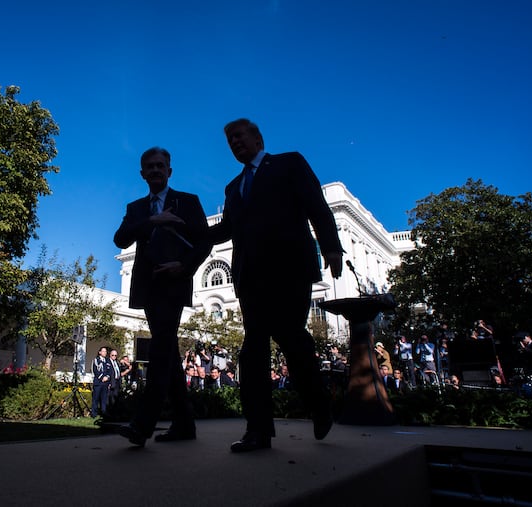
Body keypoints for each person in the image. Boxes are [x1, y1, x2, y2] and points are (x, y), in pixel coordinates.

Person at [208, 119, 343, 452]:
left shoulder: (288, 163)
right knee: (253, 350)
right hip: (250, 278)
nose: (235, 143)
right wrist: (186, 233)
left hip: (289, 270)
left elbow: (317, 205)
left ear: (258, 138)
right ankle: (258, 431)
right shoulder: (233, 187)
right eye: (229, 140)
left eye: (239, 136)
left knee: (293, 340)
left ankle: (319, 403)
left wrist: (331, 246)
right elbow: (226, 230)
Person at [114, 146, 211, 447]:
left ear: (169, 170)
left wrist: (183, 266)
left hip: (174, 283)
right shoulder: (136, 209)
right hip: (148, 288)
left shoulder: (188, 202)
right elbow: (120, 238)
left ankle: (143, 424)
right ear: (142, 173)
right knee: (167, 352)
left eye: (160, 166)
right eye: (150, 167)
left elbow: (205, 241)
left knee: (159, 350)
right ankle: (185, 424)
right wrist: (151, 223)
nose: (155, 170)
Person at [91, 346, 112, 418]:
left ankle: (103, 413)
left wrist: (107, 377)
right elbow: (95, 370)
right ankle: (94, 414)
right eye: (103, 351)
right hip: (98, 383)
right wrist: (102, 377)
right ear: (100, 352)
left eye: (106, 351)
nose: (105, 353)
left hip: (105, 383)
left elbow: (110, 371)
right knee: (95, 399)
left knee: (104, 399)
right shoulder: (96, 360)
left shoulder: (108, 361)